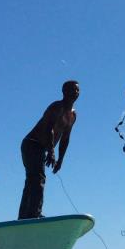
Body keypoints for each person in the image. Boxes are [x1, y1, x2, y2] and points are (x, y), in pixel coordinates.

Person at [18, 80, 79, 219]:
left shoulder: (73, 115)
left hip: (42, 148)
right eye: (72, 90)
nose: (75, 93)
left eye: (77, 90)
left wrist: (60, 160)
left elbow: (65, 138)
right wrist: (51, 152)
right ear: (64, 92)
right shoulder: (56, 107)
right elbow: (48, 129)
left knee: (32, 180)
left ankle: (24, 217)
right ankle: (34, 214)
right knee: (37, 178)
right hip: (31, 144)